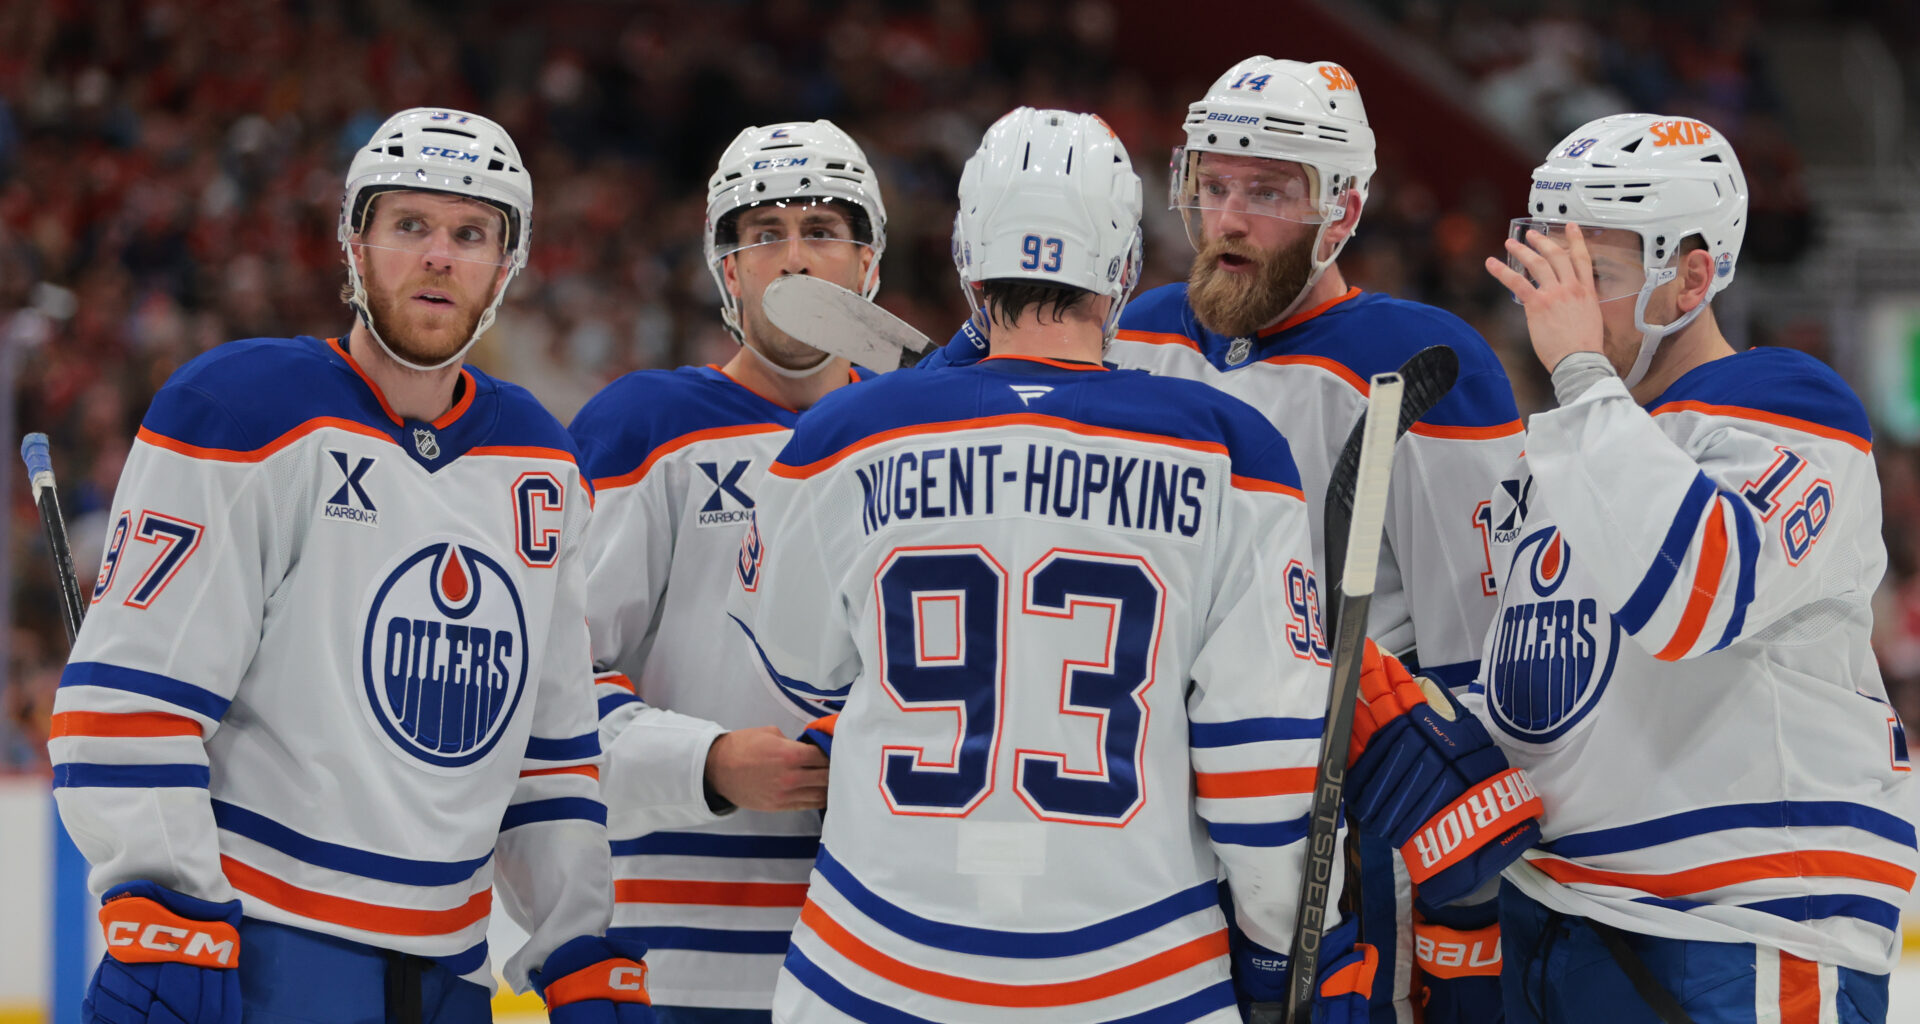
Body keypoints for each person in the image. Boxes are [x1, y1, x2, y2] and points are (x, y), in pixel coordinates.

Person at [728, 105, 1383, 1024]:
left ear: (966, 259)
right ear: (1123, 267)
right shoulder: (1233, 449)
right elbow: (1263, 767)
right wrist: (1287, 950)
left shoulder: (838, 437)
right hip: (1143, 975)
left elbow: (798, 671)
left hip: (870, 970)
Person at [918, 57, 1529, 1024]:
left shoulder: (1423, 360)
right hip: (1150, 808)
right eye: (1214, 186)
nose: (1230, 218)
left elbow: (1483, 655)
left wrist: (1465, 903)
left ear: (1343, 208)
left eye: (1270, 191)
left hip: (1344, 817)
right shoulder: (1139, 329)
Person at [47, 107, 651, 1023]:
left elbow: (551, 748)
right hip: (263, 949)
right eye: (410, 225)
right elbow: (130, 697)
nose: (440, 256)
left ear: (506, 263)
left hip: (452, 973)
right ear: (355, 244)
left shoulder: (540, 460)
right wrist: (167, 912)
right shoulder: (242, 410)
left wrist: (578, 947)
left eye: (470, 234)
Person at [1481, 112, 1918, 1023]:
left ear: (1690, 277)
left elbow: (1691, 601)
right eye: (1550, 271)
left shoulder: (1787, 402)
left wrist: (1580, 381)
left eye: (1591, 276)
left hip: (1738, 929)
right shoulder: (1566, 439)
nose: (1555, 307)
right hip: (1556, 919)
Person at [571, 120, 883, 1023]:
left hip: (881, 944)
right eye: (764, 233)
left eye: (821, 231)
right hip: (673, 958)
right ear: (728, 268)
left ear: (867, 265)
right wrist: (702, 762)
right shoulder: (647, 427)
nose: (792, 260)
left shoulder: (921, 442)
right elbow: (547, 688)